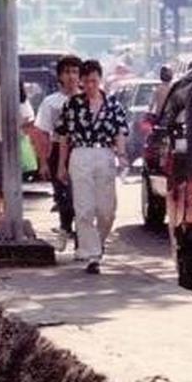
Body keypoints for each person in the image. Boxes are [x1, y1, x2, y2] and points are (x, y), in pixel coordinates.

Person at [56, 59, 129, 274]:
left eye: (93, 81)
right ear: (81, 82)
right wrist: (61, 165)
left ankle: (99, 242)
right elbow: (63, 136)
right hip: (80, 154)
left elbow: (120, 132)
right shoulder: (72, 105)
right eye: (85, 81)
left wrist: (122, 154)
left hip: (104, 154)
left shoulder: (112, 104)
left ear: (100, 80)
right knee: (84, 208)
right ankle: (92, 254)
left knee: (107, 210)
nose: (89, 86)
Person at [0, 63, 37, 226]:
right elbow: (28, 118)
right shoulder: (17, 94)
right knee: (11, 177)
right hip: (13, 137)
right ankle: (10, 214)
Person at [36, 55, 81, 249]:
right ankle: (64, 228)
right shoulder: (51, 102)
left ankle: (82, 238)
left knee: (82, 197)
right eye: (67, 72)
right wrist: (44, 162)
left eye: (75, 72)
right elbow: (42, 133)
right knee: (64, 195)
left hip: (81, 150)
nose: (71, 76)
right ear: (60, 76)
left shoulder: (86, 99)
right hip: (57, 152)